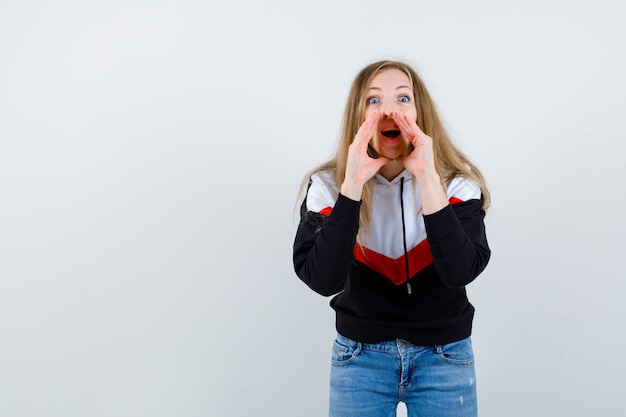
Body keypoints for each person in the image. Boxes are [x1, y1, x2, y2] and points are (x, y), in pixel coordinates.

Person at [292, 60, 491, 417]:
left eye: (402, 98)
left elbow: (461, 271)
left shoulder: (458, 184)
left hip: (445, 356)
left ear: (420, 113)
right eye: (373, 100)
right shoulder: (326, 187)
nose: (388, 110)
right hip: (359, 358)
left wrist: (428, 177)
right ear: (358, 114)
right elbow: (323, 280)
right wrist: (352, 186)